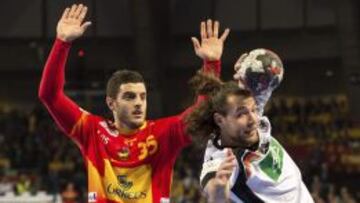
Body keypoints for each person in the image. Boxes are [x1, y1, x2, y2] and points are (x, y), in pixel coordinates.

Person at [38, 3, 229, 203]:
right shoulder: (92, 131)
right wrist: (62, 42)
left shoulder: (164, 134)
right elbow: (49, 95)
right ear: (111, 103)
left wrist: (212, 64)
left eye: (142, 96)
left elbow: (201, 114)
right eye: (129, 97)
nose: (139, 103)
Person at [185, 52, 314, 203]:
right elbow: (214, 191)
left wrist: (249, 77)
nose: (253, 119)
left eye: (253, 110)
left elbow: (263, 85)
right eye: (241, 114)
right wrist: (219, 190)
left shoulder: (250, 121)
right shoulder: (222, 157)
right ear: (220, 120)